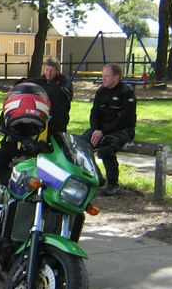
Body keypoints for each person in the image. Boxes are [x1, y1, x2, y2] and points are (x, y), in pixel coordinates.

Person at [81, 63, 137, 196]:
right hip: (101, 129)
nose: (103, 78)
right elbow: (94, 113)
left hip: (122, 129)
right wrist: (96, 129)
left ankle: (113, 184)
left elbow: (124, 119)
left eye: (106, 76)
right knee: (80, 145)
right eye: (102, 76)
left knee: (106, 147)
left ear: (116, 77)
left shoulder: (126, 92)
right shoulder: (101, 91)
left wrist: (103, 132)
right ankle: (96, 177)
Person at [22, 57, 72, 135]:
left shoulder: (64, 81)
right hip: (42, 118)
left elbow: (68, 94)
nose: (48, 73)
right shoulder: (40, 81)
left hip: (58, 119)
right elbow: (25, 83)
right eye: (47, 70)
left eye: (51, 71)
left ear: (57, 71)